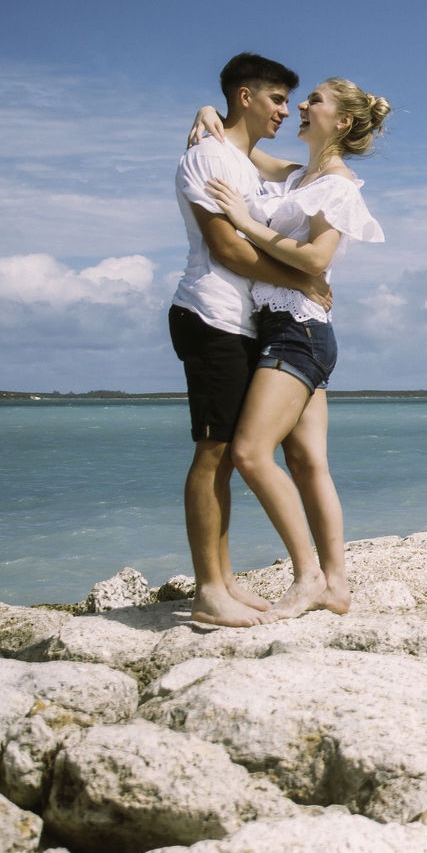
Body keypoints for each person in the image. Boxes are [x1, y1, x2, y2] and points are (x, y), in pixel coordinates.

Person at [202, 77, 388, 620]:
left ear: (343, 122)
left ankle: (307, 577)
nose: (302, 106)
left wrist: (242, 222)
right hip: (294, 328)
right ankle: (336, 586)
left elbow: (314, 259)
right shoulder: (298, 175)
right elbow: (244, 147)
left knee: (249, 453)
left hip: (296, 331)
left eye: (316, 101)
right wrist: (207, 111)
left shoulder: (337, 187)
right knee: (308, 464)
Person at [169, 53, 329, 628]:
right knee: (213, 452)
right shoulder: (207, 158)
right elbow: (227, 249)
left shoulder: (241, 158)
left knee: (228, 458)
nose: (287, 110)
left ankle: (225, 579)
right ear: (246, 97)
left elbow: (312, 167)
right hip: (209, 314)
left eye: (291, 101)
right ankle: (209, 589)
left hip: (243, 322)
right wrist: (305, 280)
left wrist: (205, 108)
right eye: (277, 99)